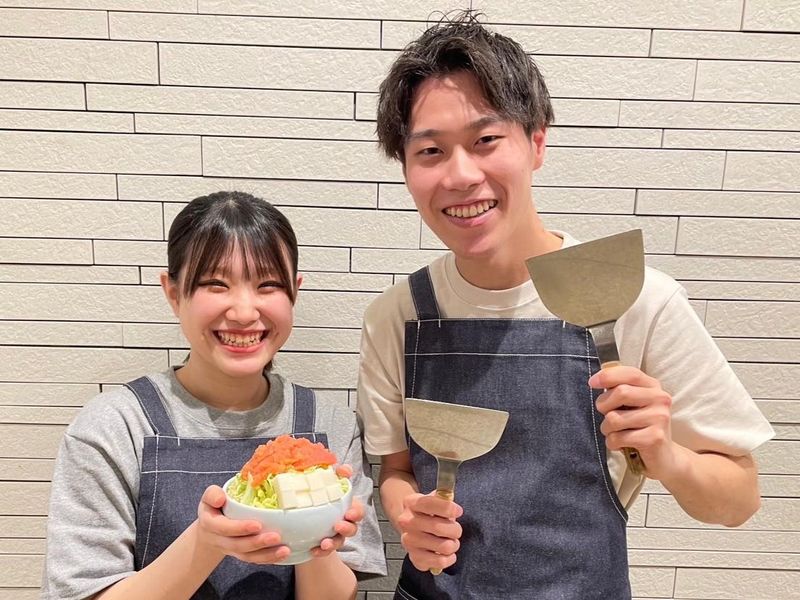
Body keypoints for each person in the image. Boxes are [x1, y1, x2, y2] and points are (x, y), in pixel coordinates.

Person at [356, 12, 774, 600]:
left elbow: (739, 500)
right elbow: (397, 469)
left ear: (537, 141)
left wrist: (665, 454)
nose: (461, 175)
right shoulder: (395, 317)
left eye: (485, 140)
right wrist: (410, 516)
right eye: (430, 150)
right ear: (405, 169)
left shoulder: (637, 302)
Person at [42, 191, 387, 600]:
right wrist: (207, 542)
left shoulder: (330, 427)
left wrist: (314, 536)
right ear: (173, 293)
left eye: (268, 285)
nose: (244, 312)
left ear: (294, 292)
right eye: (215, 284)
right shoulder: (113, 427)